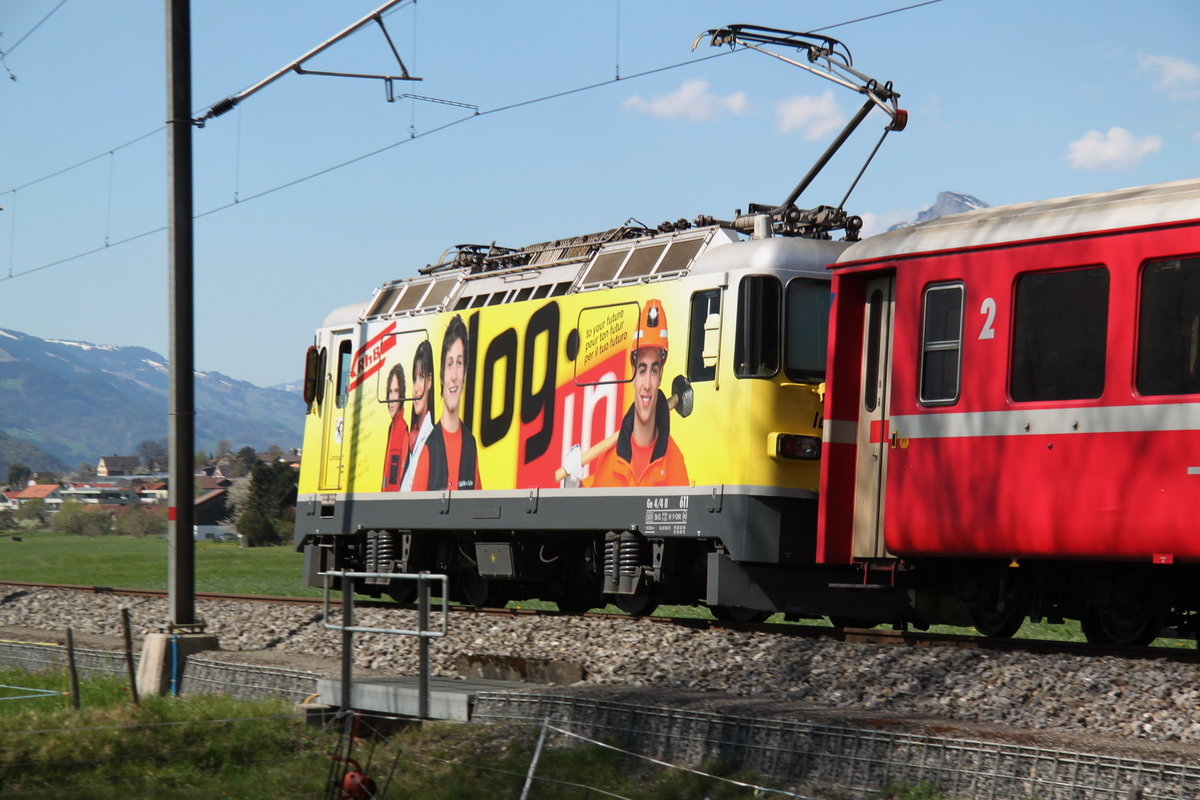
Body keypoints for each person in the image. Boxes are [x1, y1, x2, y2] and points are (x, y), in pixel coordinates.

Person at [585, 299, 689, 487]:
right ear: (633, 374)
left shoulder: (674, 462)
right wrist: (573, 485)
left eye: (654, 370)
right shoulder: (608, 461)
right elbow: (589, 511)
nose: (647, 384)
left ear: (660, 376)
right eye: (642, 370)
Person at [408, 315, 482, 491]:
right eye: (449, 364)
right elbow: (413, 511)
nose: (454, 376)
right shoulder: (429, 448)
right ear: (441, 375)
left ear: (465, 374)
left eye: (459, 363)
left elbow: (478, 503)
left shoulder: (470, 446)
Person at [399, 339, 435, 491]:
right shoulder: (411, 436)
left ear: (430, 381)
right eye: (414, 379)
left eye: (421, 377)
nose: (416, 389)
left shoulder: (432, 437)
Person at [380, 363, 408, 491]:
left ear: (401, 395)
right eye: (390, 392)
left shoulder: (402, 430)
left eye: (396, 391)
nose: (391, 398)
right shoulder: (392, 428)